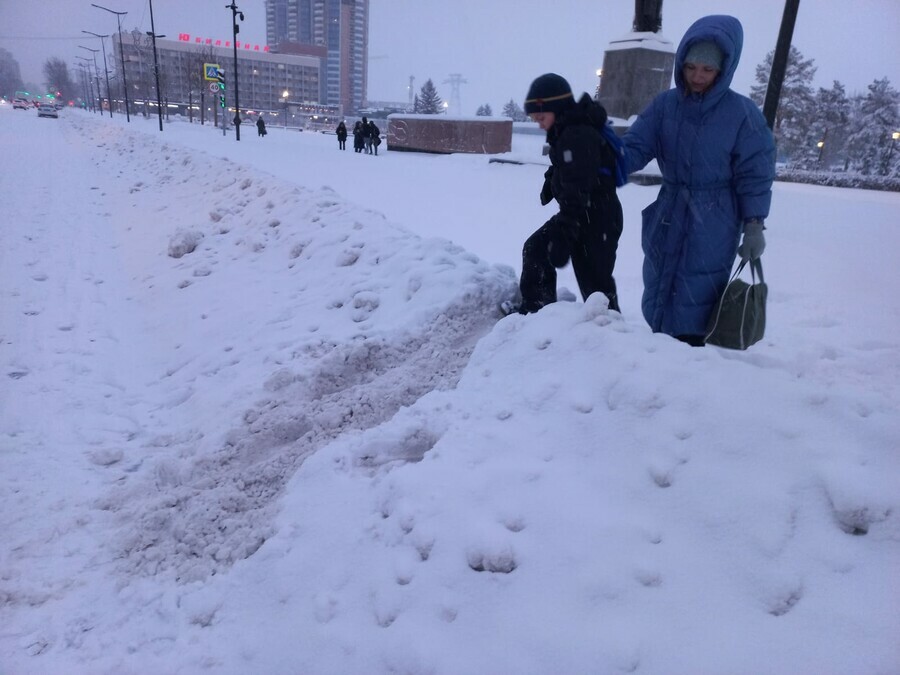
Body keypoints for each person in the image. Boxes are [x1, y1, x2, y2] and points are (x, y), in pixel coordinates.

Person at [621, 15, 775, 346]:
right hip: (668, 211)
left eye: (707, 70)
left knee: (697, 295)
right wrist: (603, 164)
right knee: (661, 286)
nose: (698, 76)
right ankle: (658, 353)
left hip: (714, 220)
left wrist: (754, 224)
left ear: (724, 68)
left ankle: (690, 366)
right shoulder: (665, 106)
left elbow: (755, 175)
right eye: (691, 68)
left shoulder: (743, 115)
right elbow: (635, 147)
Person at [507, 73, 623, 315]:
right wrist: (552, 180)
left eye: (541, 117)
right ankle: (536, 313)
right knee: (536, 249)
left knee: (595, 287)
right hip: (585, 213)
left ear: (556, 108)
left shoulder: (577, 135)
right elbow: (571, 167)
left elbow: (580, 186)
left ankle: (610, 335)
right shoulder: (568, 130)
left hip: (595, 218)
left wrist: (565, 233)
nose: (538, 123)